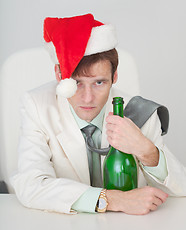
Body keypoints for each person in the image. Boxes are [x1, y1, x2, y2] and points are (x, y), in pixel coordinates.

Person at [11, 13, 186, 215]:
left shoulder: (139, 111)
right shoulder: (37, 105)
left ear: (115, 76)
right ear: (59, 75)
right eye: (76, 83)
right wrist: (113, 200)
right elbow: (30, 185)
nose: (87, 98)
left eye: (99, 83)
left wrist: (148, 152)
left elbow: (179, 191)